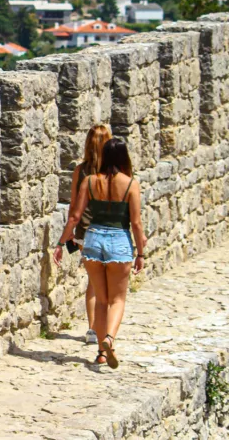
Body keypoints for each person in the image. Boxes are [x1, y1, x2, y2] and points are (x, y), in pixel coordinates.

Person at [54, 139, 146, 369]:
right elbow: (135, 223)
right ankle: (109, 339)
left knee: (102, 299)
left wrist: (61, 242)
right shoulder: (130, 184)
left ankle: (102, 354)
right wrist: (141, 253)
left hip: (93, 240)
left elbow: (75, 216)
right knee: (117, 299)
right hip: (119, 241)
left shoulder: (90, 181)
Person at [69, 125, 112, 345]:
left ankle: (93, 329)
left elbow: (74, 207)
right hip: (111, 232)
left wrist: (68, 236)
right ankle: (106, 331)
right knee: (108, 282)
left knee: (93, 283)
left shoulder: (80, 170)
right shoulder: (115, 172)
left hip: (85, 233)